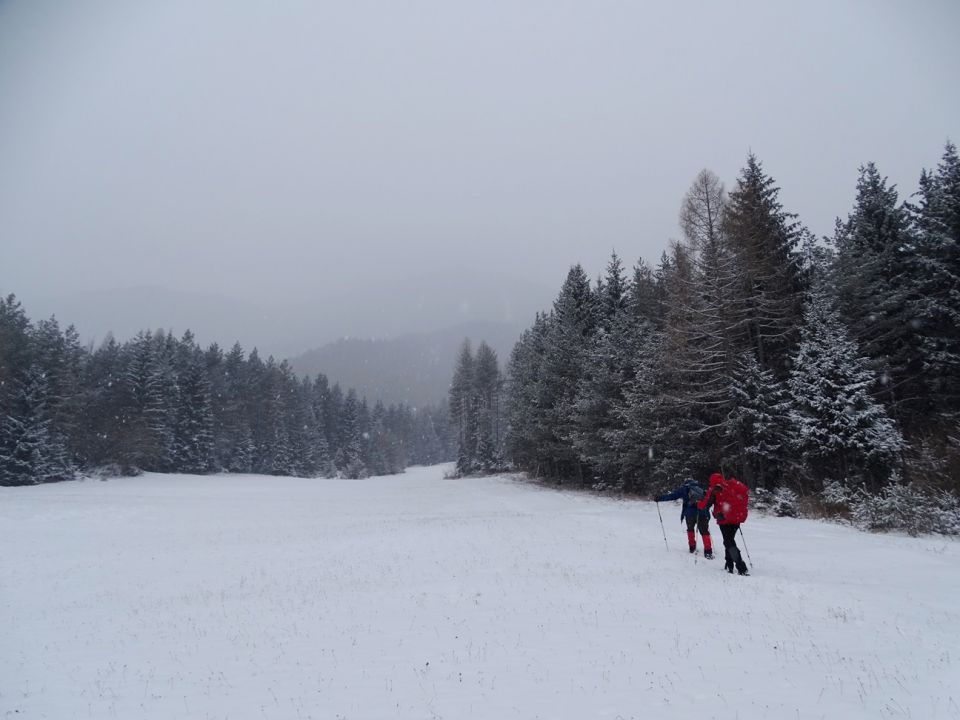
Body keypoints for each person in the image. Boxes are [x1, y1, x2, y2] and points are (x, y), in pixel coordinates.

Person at [703, 472, 750, 575]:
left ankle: (740, 566)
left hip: (724, 519)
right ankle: (729, 564)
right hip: (736, 518)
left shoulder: (714, 489)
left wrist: (707, 497)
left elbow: (706, 505)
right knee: (729, 540)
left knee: (728, 542)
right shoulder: (730, 485)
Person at [655, 478, 714, 559]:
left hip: (689, 513)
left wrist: (660, 498)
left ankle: (692, 547)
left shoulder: (685, 489)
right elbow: (708, 499)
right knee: (704, 532)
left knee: (690, 529)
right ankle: (708, 551)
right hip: (702, 512)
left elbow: (673, 496)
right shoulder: (701, 488)